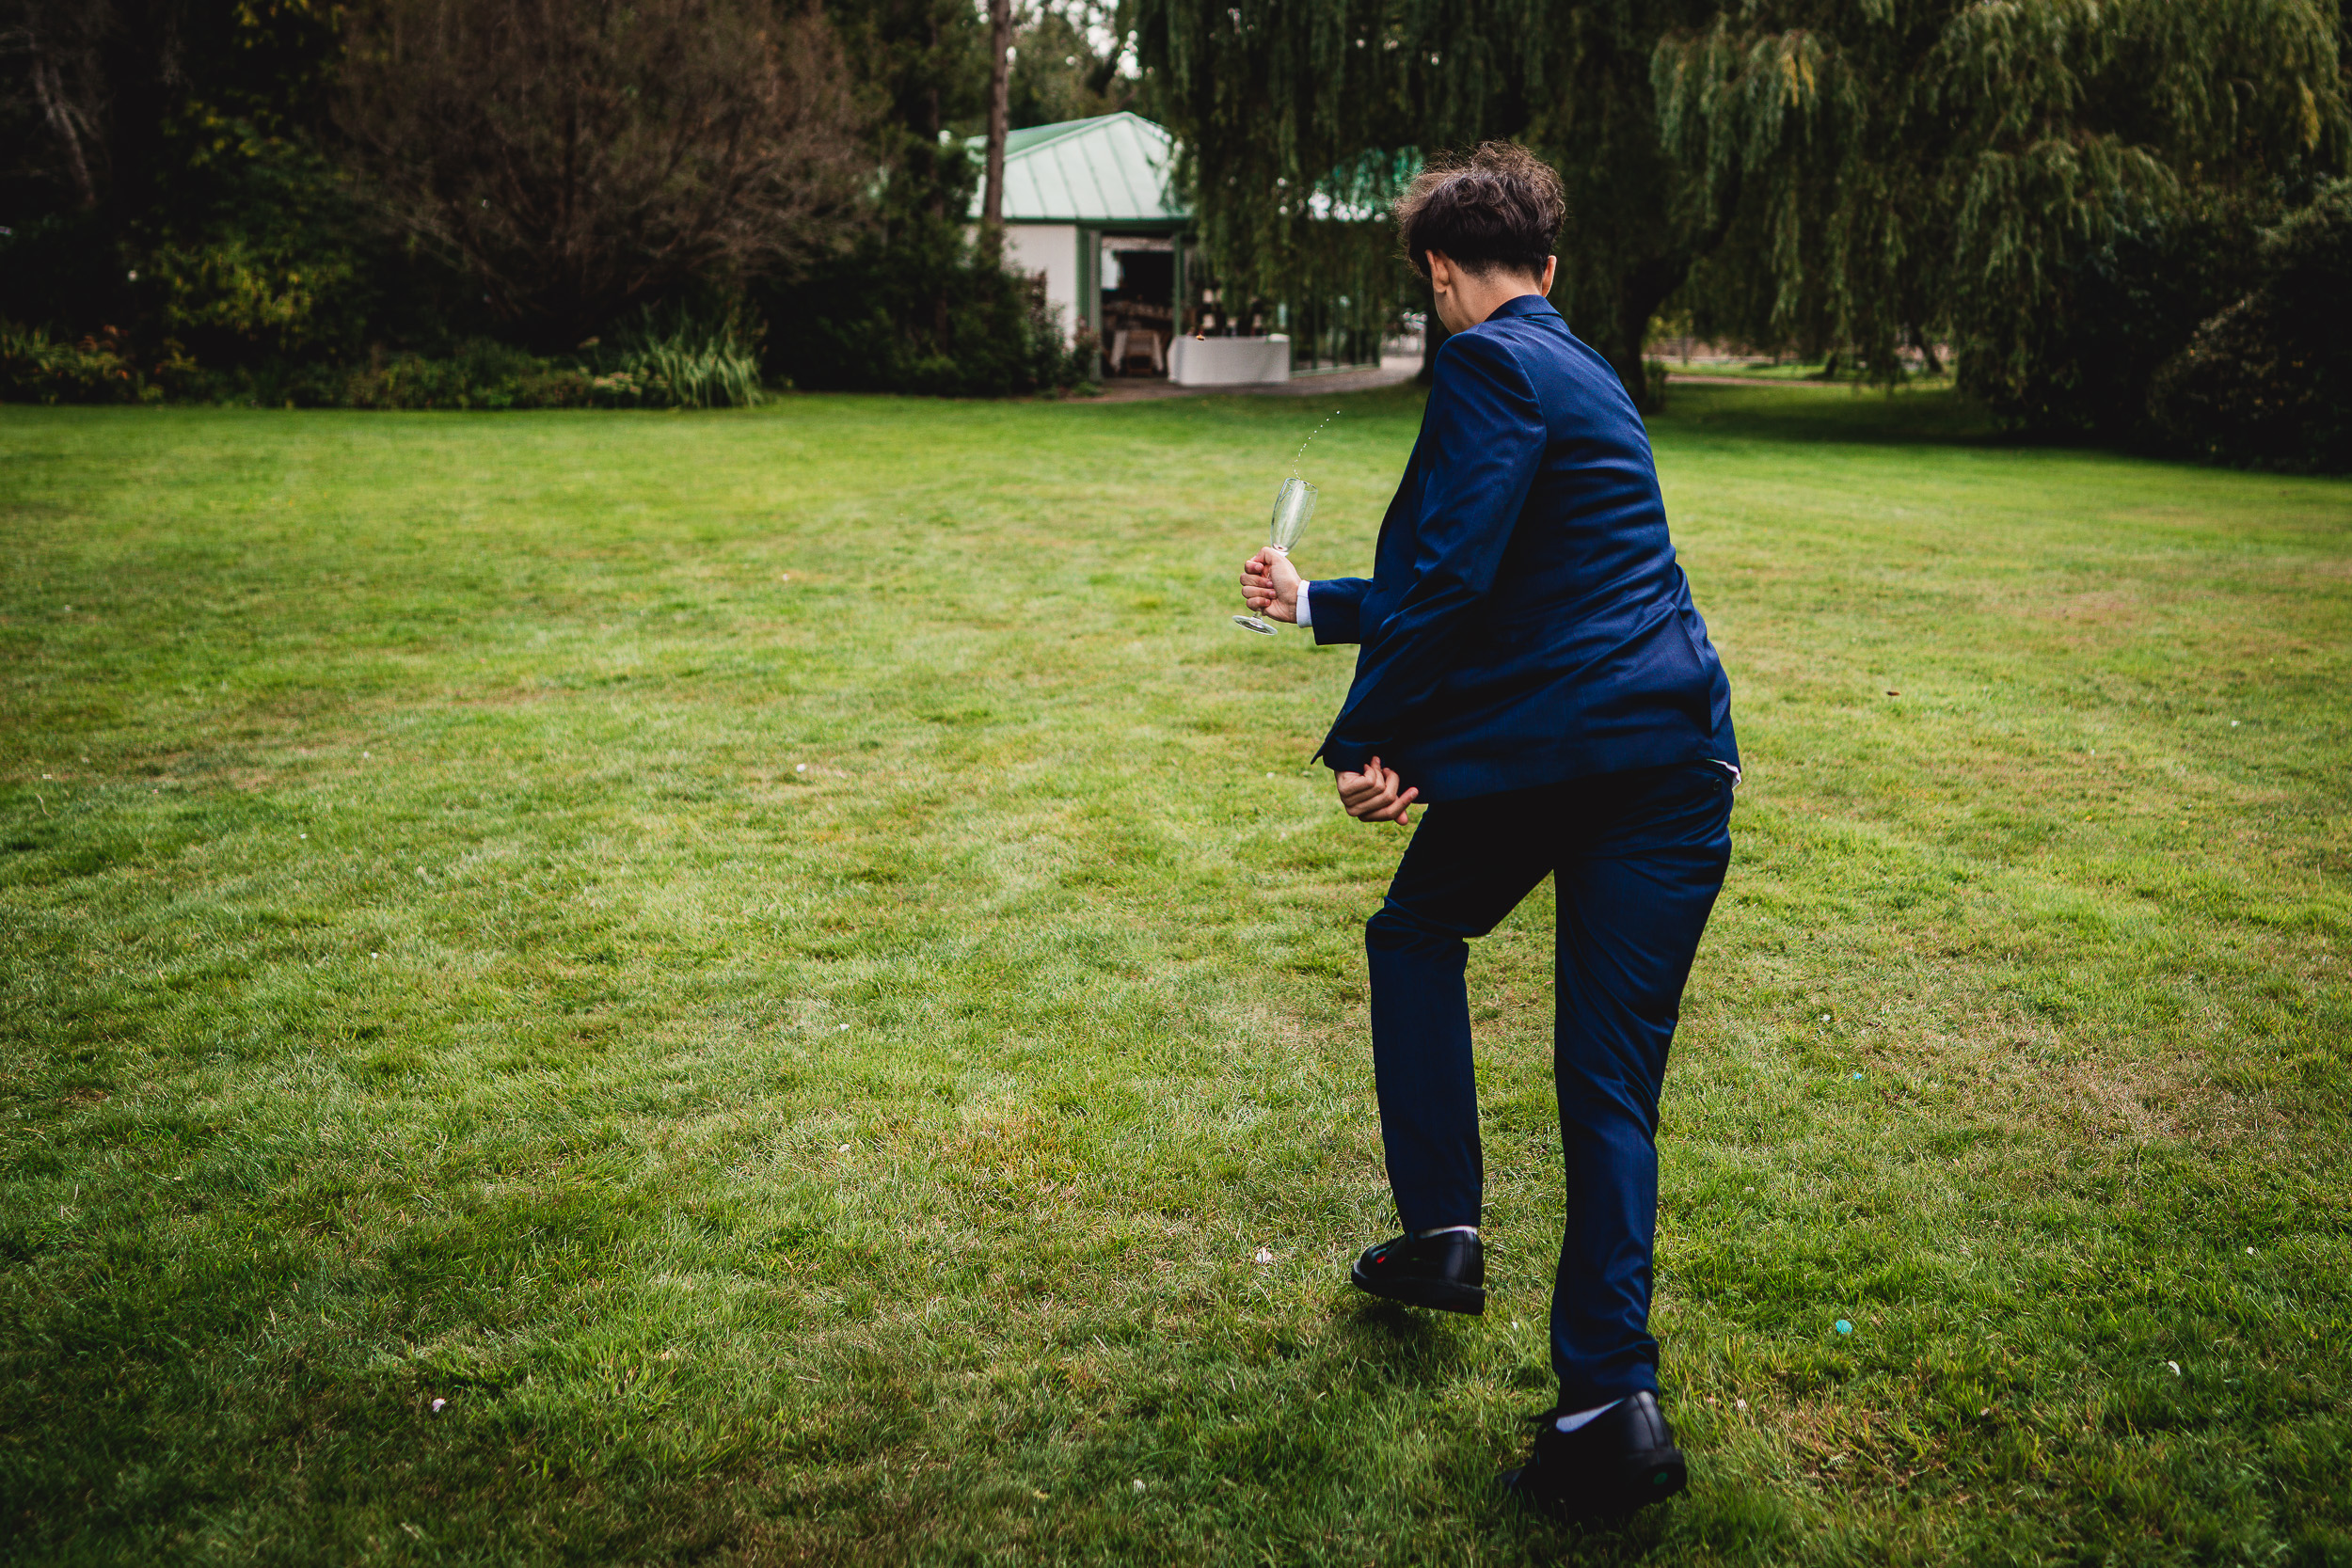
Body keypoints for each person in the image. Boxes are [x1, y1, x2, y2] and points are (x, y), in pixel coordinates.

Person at [1239, 143, 1739, 1525]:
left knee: (1415, 936)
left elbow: (1458, 572)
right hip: (1673, 757)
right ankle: (1602, 1403)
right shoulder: (1580, 366)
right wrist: (1317, 606)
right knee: (1606, 1085)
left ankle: (1453, 1236)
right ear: (1555, 271)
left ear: (1441, 275)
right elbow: (1508, 574)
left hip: (1571, 757)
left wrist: (1370, 742)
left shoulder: (1485, 364)